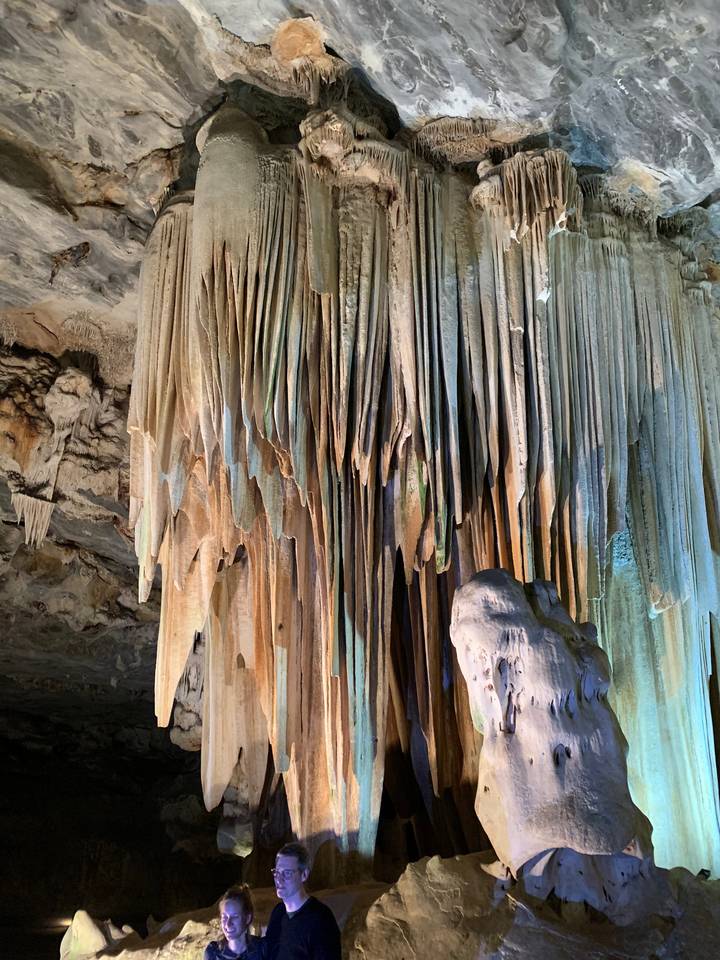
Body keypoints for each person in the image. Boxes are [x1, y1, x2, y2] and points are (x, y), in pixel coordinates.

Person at [263, 842, 341, 960]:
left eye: (287, 873)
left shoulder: (321, 919)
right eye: (277, 872)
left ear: (304, 875)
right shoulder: (278, 913)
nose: (279, 879)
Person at [205, 884, 262, 960]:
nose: (228, 924)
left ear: (247, 918)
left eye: (235, 917)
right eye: (224, 917)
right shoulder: (213, 952)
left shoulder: (261, 949)